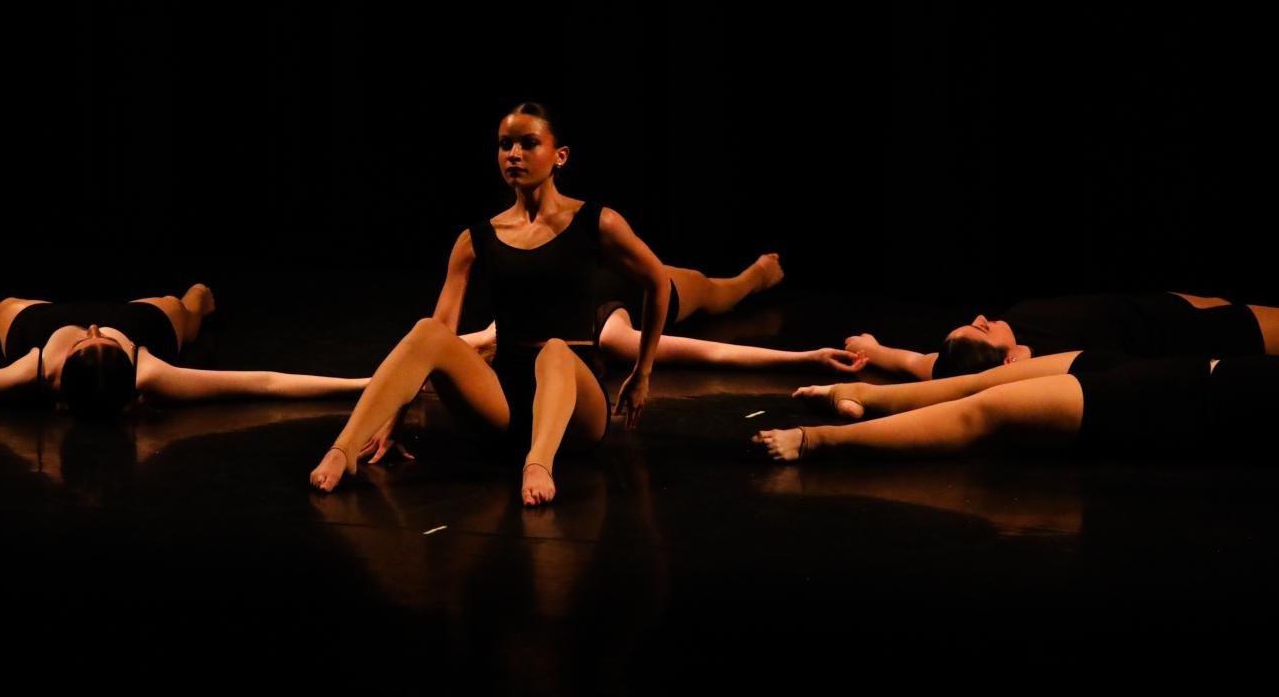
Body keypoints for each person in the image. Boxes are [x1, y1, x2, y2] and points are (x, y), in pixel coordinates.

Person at [309, 102, 670, 506]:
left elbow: (658, 282)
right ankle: (343, 449)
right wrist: (394, 423)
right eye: (505, 144)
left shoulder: (596, 222)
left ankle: (539, 462)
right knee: (427, 330)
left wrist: (642, 373)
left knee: (555, 350)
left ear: (560, 156)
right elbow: (437, 338)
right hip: (505, 398)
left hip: (575, 403)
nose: (514, 154)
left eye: (528, 143)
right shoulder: (476, 239)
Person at [0, 277, 368, 412]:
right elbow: (264, 382)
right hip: (145, 319)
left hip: (38, 321)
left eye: (88, 343)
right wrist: (366, 384)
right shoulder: (149, 370)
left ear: (60, 374)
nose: (92, 331)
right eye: (100, 341)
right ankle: (200, 298)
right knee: (188, 303)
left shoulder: (29, 370)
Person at [754, 348, 1278, 462]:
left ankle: (820, 441)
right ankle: (863, 395)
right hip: (1185, 369)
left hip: (1188, 402)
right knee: (978, 383)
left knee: (988, 411)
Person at [456, 253, 860, 372]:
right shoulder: (608, 334)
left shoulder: (513, 321)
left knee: (721, 291)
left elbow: (459, 343)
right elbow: (711, 352)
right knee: (718, 293)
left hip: (629, 267)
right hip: (658, 289)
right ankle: (752, 278)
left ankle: (749, 279)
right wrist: (805, 358)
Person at [846, 291, 1279, 380]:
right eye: (982, 328)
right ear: (1008, 360)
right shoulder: (1051, 365)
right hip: (1211, 331)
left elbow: (917, 362)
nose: (982, 316)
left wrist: (870, 348)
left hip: (1169, 304)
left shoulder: (1007, 336)